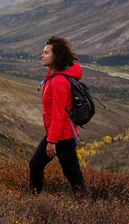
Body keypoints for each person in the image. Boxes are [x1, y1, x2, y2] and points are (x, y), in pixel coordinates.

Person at [29, 36, 87, 196]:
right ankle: (33, 198)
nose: (42, 55)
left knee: (73, 176)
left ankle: (86, 206)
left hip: (62, 137)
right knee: (37, 165)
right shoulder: (53, 78)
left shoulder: (58, 82)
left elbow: (59, 115)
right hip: (57, 134)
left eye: (46, 52)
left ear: (56, 57)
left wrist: (52, 141)